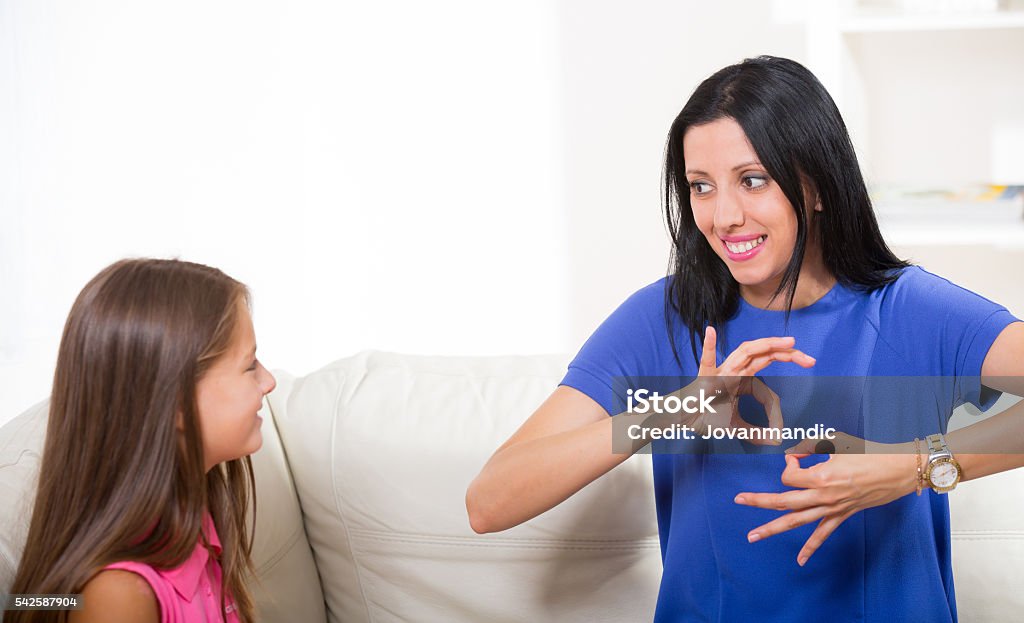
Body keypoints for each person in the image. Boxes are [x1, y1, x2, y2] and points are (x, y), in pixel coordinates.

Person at [466, 55, 1024, 621]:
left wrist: (913, 466)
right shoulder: (664, 317)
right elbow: (490, 502)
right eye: (701, 187)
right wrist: (672, 413)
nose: (723, 216)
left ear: (817, 186)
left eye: (752, 180)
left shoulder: (909, 310)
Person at [8, 259, 277, 623]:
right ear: (175, 403)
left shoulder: (194, 524)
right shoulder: (117, 597)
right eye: (250, 365)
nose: (269, 381)